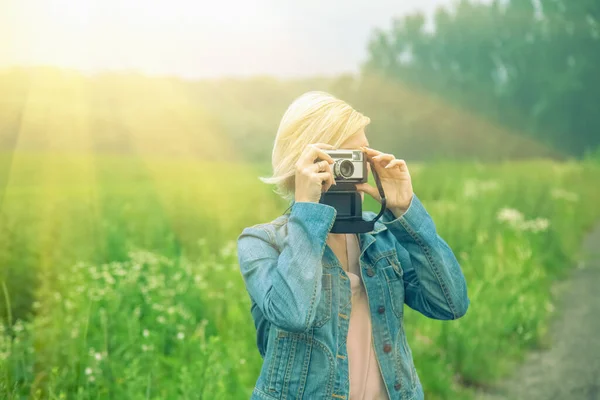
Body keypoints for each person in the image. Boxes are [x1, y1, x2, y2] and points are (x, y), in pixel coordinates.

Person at [237, 91, 470, 400]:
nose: (352, 169)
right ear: (303, 163)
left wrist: (404, 209)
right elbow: (294, 314)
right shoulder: (262, 243)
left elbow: (450, 303)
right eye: (341, 159)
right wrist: (309, 210)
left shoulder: (381, 235)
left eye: (361, 157)